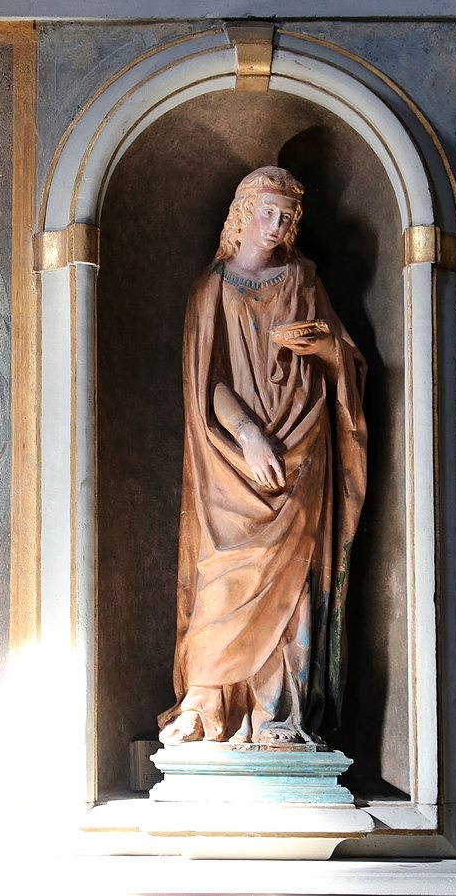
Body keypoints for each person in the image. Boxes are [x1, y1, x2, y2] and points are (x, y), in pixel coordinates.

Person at [158, 166, 367, 746]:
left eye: (287, 216)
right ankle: (206, 705)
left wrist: (325, 347)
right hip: (230, 456)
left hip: (303, 444)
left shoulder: (304, 279)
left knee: (294, 580)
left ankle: (277, 715)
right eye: (267, 212)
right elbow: (204, 382)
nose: (276, 225)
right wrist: (248, 434)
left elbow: (347, 362)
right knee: (222, 573)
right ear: (243, 214)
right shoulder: (210, 289)